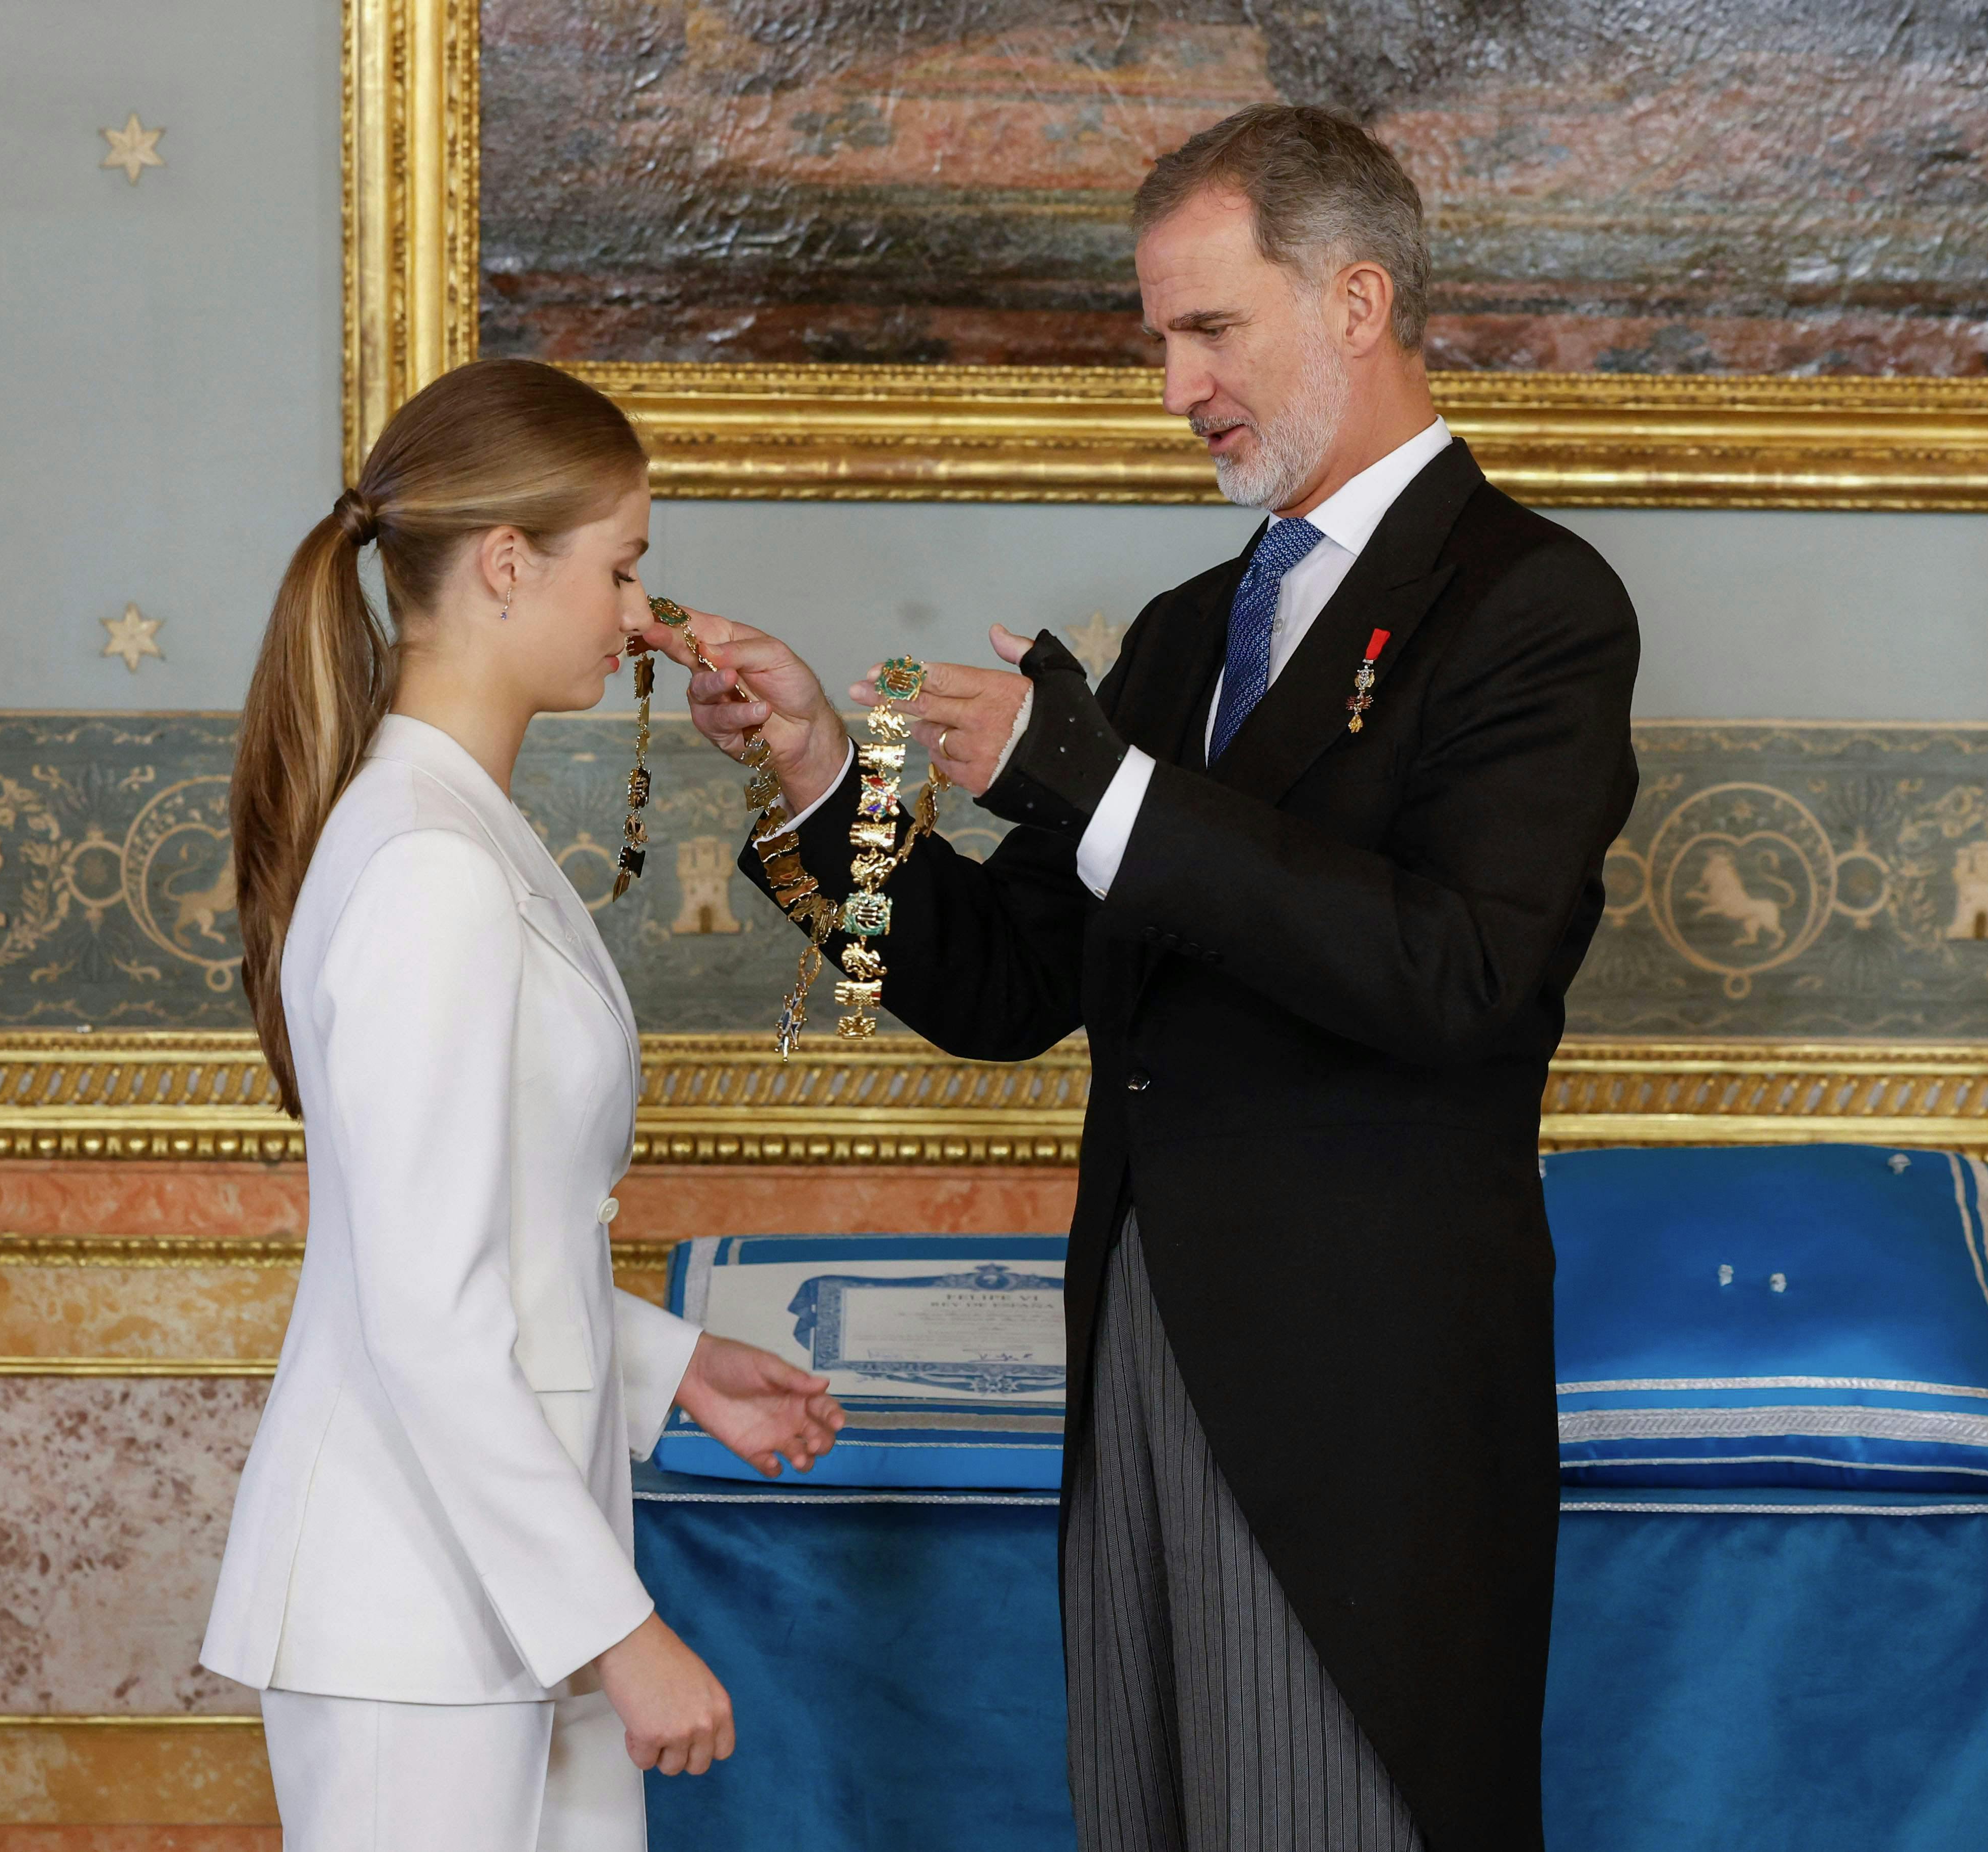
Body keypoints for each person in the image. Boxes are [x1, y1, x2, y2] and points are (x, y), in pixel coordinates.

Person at [654, 105, 1640, 1852]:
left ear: (1357, 300)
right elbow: (1001, 986)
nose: (1178, 387)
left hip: (1358, 1419)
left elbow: (1459, 974)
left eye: (1211, 330)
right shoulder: (1188, 630)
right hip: (1133, 1361)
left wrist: (1096, 784)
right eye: (1161, 340)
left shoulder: (1534, 604)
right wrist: (818, 773)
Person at [202, 357, 846, 1852]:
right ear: (507, 564)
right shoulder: (429, 862)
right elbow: (423, 1310)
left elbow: (465, 1245)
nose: (638, 610)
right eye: (620, 566)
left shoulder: (456, 829)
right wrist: (620, 1631)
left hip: (496, 1596)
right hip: (415, 1616)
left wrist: (672, 1362)